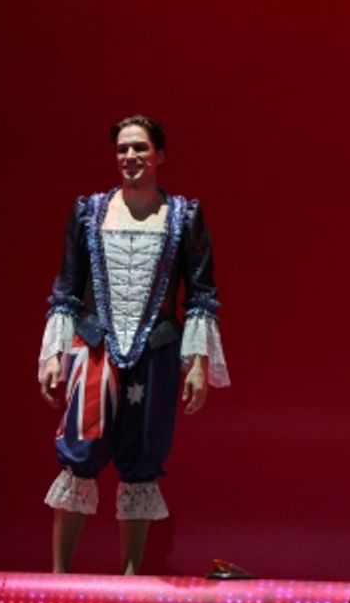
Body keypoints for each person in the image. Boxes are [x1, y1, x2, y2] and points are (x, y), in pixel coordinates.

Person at [37, 115, 230, 575]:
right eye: (123, 149)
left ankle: (130, 583)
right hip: (96, 347)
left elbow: (200, 294)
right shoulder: (89, 211)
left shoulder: (183, 215)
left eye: (140, 148)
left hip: (157, 349)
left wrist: (198, 364)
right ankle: (59, 578)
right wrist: (52, 355)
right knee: (79, 456)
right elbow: (67, 287)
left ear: (159, 155)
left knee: (142, 460)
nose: (131, 158)